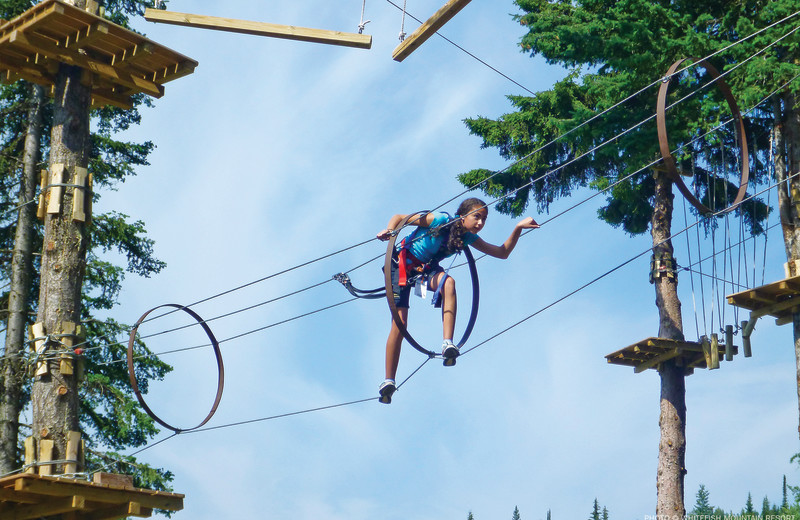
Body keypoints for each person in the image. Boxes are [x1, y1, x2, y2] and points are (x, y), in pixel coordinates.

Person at [375, 197, 539, 404]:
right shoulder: (439, 220)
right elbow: (400, 217)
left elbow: (502, 252)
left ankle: (448, 344)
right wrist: (390, 231)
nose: (480, 223)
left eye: (484, 220)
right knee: (400, 324)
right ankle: (388, 380)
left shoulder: (469, 238)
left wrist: (518, 228)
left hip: (423, 272)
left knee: (448, 283)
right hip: (400, 266)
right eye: (477, 217)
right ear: (463, 216)